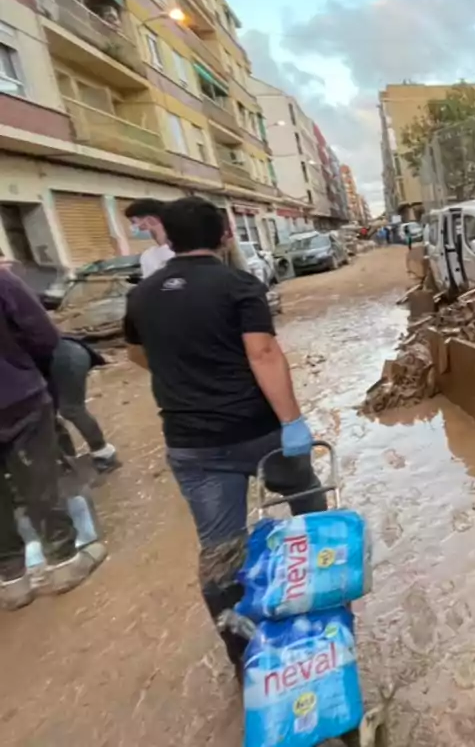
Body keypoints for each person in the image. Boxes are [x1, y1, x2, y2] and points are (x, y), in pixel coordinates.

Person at [123, 196, 324, 671]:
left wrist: (183, 370)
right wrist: (292, 421)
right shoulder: (238, 284)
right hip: (258, 431)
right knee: (307, 500)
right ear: (224, 236)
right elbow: (264, 354)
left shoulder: (142, 294)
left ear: (168, 239)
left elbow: (136, 356)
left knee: (220, 549)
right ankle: (321, 599)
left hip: (191, 443)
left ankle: (245, 658)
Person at [1, 261, 105, 611]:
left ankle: (12, 582)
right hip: (16, 399)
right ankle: (63, 562)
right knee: (39, 481)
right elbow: (45, 337)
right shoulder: (3, 281)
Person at [50, 336, 119, 474]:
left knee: (71, 409)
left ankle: (104, 453)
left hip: (66, 360)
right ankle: (67, 458)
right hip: (65, 357)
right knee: (48, 415)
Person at [124, 198, 174, 279]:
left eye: (134, 222)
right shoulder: (148, 255)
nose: (132, 227)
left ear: (151, 220)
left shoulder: (182, 252)